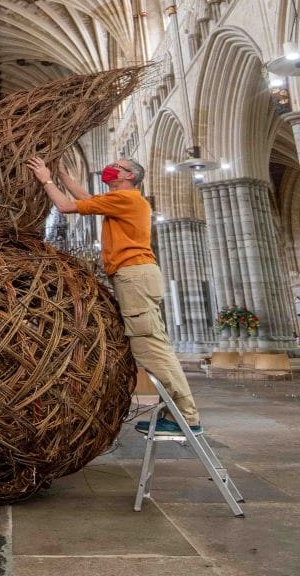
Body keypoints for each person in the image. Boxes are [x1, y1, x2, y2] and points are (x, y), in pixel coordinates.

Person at [27, 155, 202, 436]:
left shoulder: (128, 199)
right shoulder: (121, 200)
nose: (111, 167)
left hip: (135, 275)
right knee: (152, 342)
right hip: (134, 275)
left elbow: (65, 206)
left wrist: (46, 178)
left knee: (149, 346)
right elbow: (85, 199)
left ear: (129, 175)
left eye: (118, 166)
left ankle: (186, 416)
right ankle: (180, 413)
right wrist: (62, 173)